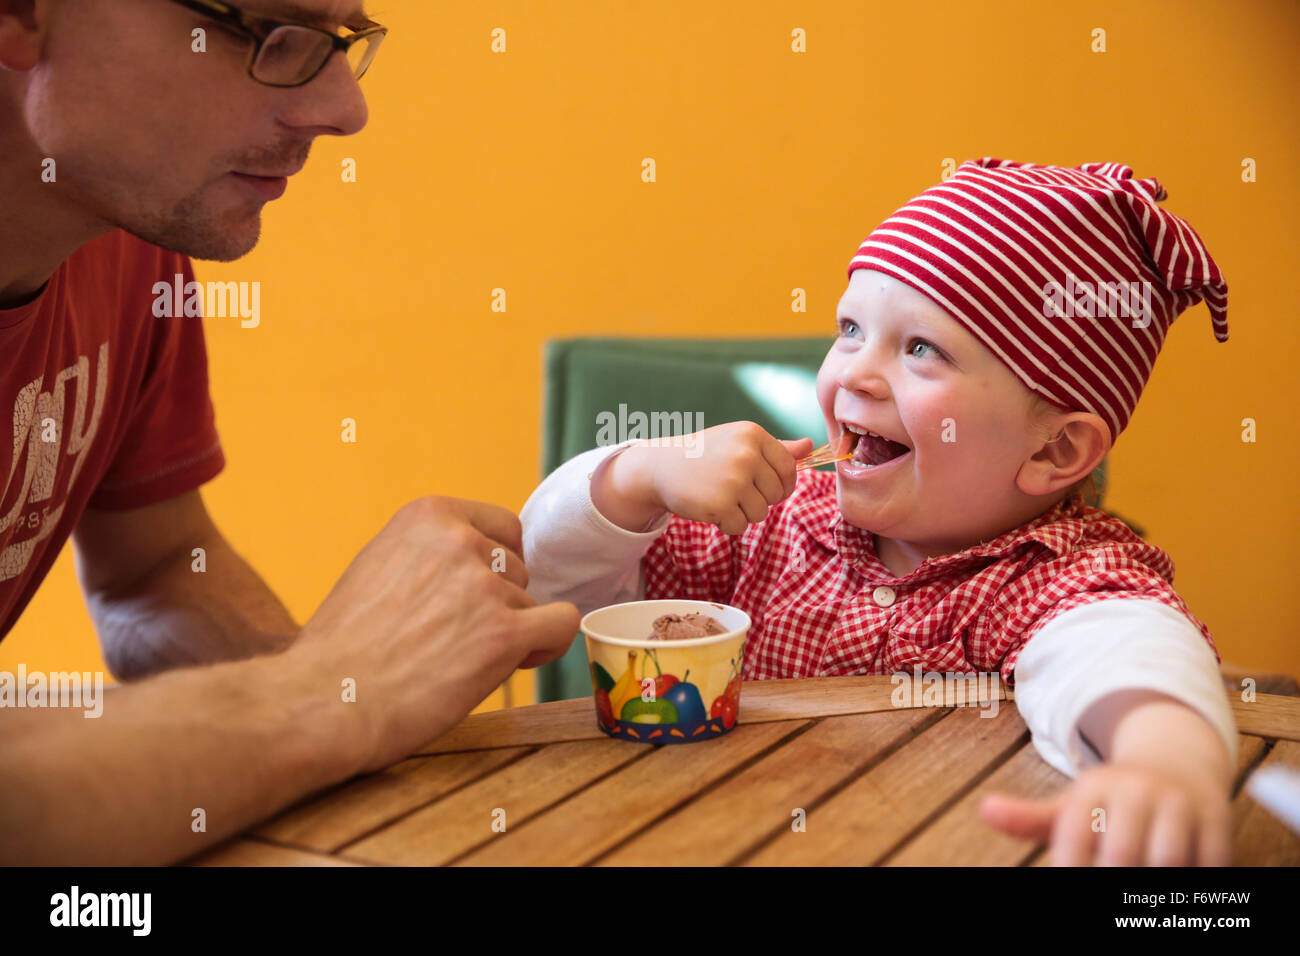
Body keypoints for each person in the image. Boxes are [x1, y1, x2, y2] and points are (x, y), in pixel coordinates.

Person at [522, 158, 1237, 865]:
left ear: (1055, 450)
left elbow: (1127, 653)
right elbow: (543, 579)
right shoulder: (766, 523)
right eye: (850, 329)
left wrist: (1162, 762)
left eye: (922, 349)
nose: (855, 373)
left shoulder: (1052, 582)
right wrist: (634, 478)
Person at [0, 0, 578, 865]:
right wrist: (334, 694)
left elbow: (154, 575)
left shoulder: (128, 244)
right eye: (270, 32)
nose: (346, 109)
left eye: (341, 41)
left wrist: (371, 688)